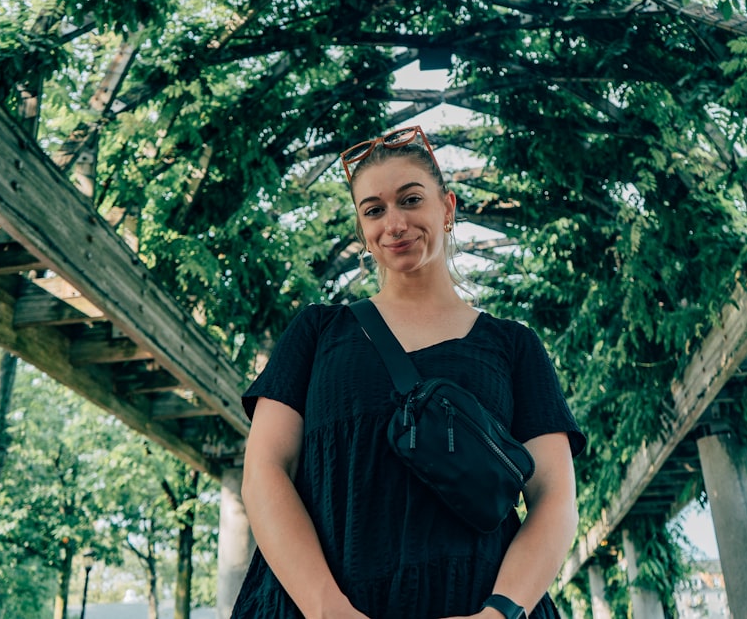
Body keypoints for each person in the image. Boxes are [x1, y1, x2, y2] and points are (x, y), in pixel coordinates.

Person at [231, 125, 587, 619]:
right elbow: (265, 473)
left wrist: (500, 612)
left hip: (475, 606)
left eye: (410, 200)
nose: (393, 222)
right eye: (373, 210)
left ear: (447, 208)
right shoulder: (316, 332)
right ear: (363, 232)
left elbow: (554, 499)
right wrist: (325, 607)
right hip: (321, 606)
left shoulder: (512, 346)